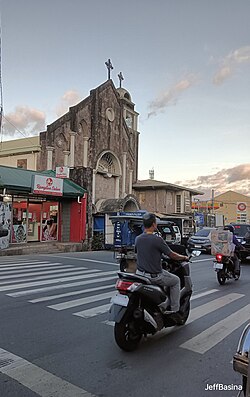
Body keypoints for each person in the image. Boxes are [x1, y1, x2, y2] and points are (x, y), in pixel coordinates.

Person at [135, 213, 189, 315]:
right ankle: (174, 310)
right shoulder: (157, 239)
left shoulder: (138, 238)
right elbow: (172, 255)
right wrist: (184, 257)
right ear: (154, 224)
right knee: (176, 281)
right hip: (154, 276)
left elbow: (140, 252)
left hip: (139, 274)